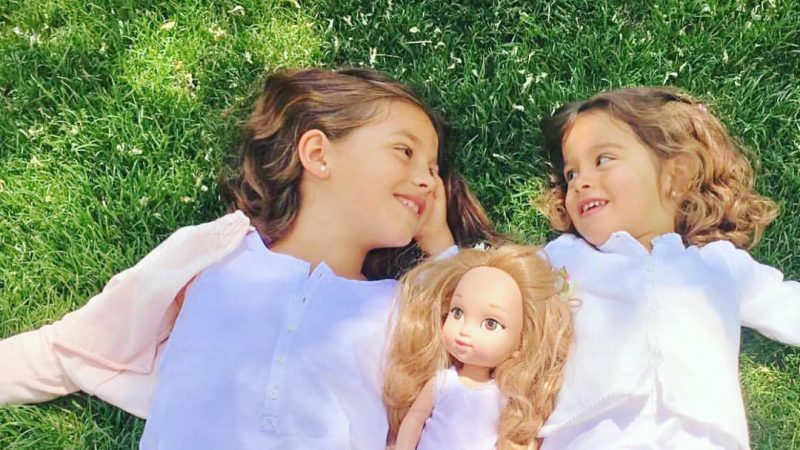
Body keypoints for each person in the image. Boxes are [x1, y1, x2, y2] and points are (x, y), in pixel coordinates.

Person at [0, 68, 500, 449]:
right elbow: (75, 345)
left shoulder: (400, 306)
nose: (427, 180)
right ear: (318, 154)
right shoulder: (218, 250)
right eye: (405, 152)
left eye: (433, 168)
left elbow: (474, 346)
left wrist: (439, 243)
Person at [535, 87, 799, 450]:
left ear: (675, 177)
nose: (580, 182)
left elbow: (786, 305)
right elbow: (494, 284)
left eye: (603, 159)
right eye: (570, 174)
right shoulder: (565, 259)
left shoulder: (719, 265)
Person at [385, 245, 572, 450]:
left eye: (491, 323)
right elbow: (415, 418)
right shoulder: (443, 382)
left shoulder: (504, 398)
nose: (465, 331)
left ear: (521, 342)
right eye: (457, 312)